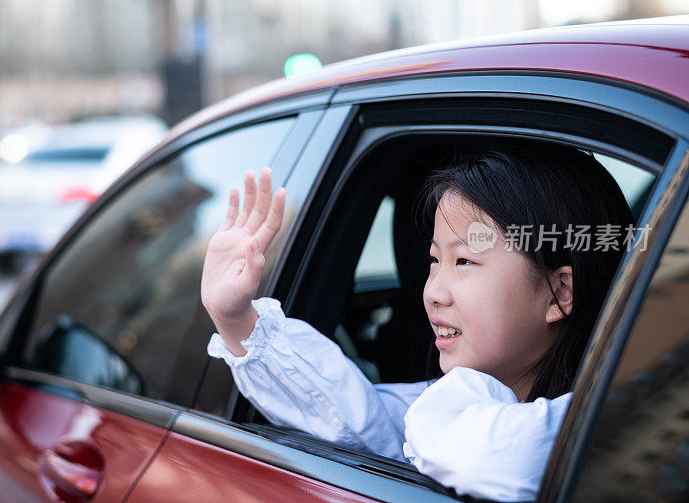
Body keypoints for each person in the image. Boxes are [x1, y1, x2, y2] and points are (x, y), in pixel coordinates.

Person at [200, 148, 635, 501]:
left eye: (464, 261)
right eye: (433, 260)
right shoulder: (451, 405)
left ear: (560, 293)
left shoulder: (609, 422)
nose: (433, 292)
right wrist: (236, 318)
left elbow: (475, 451)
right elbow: (359, 417)